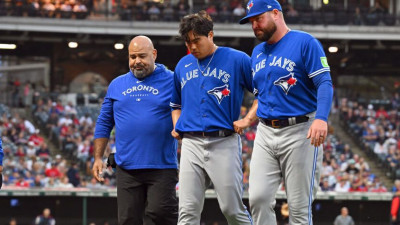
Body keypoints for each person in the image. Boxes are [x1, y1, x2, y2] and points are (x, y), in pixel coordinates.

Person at [237, 0, 333, 224]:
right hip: (265, 132)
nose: (255, 26)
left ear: (276, 13)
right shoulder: (257, 52)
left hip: (301, 130)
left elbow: (325, 83)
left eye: (259, 19)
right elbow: (261, 95)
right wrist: (248, 119)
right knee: (258, 199)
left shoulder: (304, 42)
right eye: (251, 21)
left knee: (298, 209)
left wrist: (321, 118)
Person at [170, 11, 253, 225]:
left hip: (223, 141)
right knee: (187, 212)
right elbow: (175, 105)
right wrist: (177, 124)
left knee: (232, 210)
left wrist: (248, 119)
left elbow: (263, 94)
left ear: (211, 35)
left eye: (196, 40)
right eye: (188, 42)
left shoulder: (237, 59)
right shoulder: (182, 65)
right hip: (191, 143)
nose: (192, 47)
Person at [92, 36, 178, 225]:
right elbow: (104, 122)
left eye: (142, 56)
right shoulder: (117, 85)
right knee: (128, 220)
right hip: (127, 168)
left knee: (160, 213)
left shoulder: (172, 80)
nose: (136, 61)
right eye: (132, 57)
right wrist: (98, 158)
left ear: (154, 54)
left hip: (162, 166)